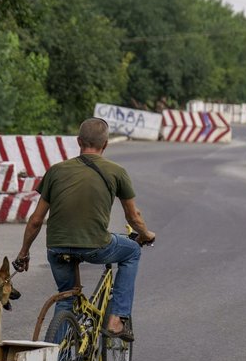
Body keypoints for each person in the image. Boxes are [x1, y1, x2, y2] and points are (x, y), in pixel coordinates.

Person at [13, 117, 156, 341]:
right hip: (96, 246)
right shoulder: (116, 171)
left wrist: (24, 253)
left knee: (66, 298)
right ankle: (116, 319)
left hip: (57, 248)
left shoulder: (56, 171)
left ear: (79, 141)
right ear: (106, 144)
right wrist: (147, 234)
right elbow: (133, 216)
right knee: (132, 251)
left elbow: (35, 220)